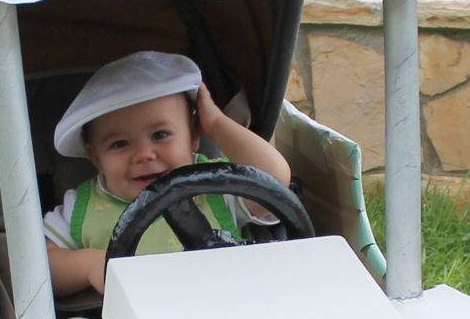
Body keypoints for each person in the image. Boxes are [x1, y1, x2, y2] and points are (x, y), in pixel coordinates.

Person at [43, 50, 291, 296]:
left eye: (160, 135)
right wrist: (87, 264)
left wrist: (216, 123)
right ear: (95, 157)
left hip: (226, 308)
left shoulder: (218, 183)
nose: (144, 154)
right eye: (119, 144)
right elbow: (39, 267)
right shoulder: (82, 206)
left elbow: (274, 181)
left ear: (193, 135)